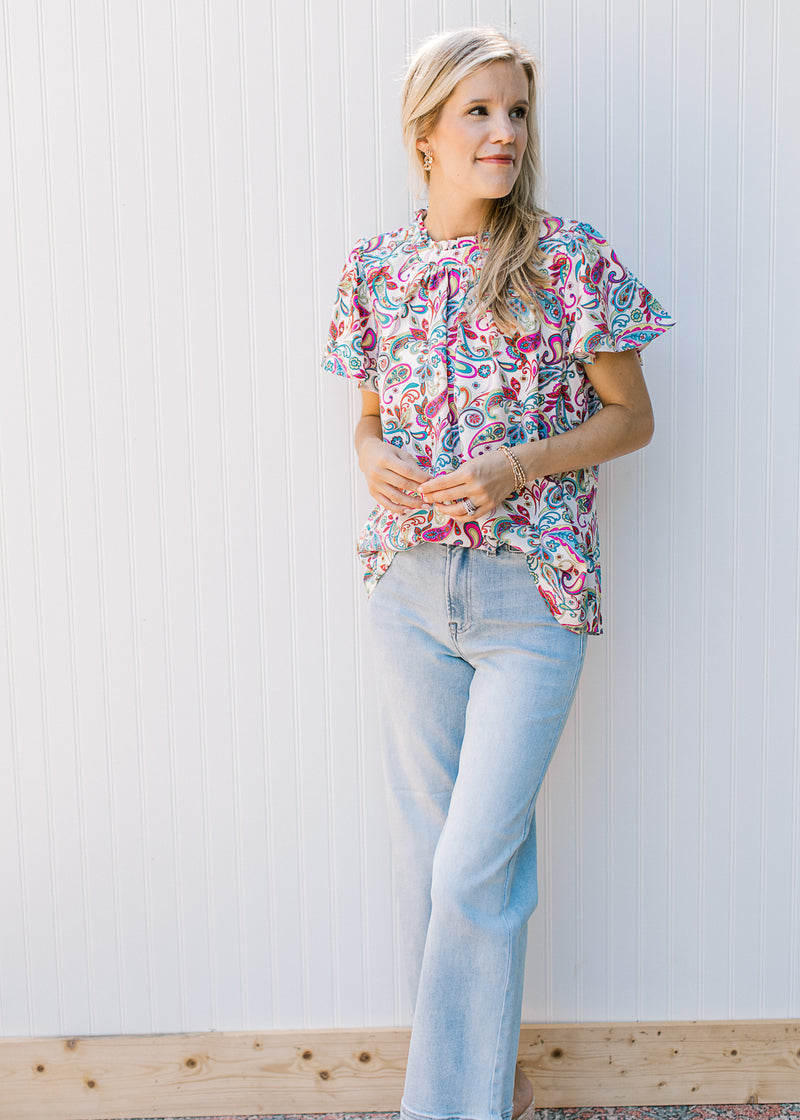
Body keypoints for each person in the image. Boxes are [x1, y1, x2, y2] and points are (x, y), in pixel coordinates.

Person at [322, 26, 675, 1120]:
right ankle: (477, 1089)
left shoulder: (569, 258)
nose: (504, 133)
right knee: (427, 870)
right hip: (406, 590)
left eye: (515, 112)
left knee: (475, 866)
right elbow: (368, 423)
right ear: (423, 130)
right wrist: (371, 454)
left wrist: (518, 462)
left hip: (532, 596)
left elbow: (632, 419)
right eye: (478, 111)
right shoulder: (375, 267)